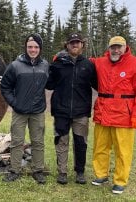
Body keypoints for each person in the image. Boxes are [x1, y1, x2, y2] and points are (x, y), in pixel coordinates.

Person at [90, 36, 136, 194]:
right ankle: (101, 175)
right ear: (109, 48)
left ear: (125, 47)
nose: (116, 50)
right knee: (100, 146)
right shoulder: (100, 62)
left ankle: (120, 181)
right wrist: (62, 58)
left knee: (123, 150)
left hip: (124, 115)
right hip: (103, 112)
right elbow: (83, 63)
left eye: (119, 47)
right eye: (113, 47)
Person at [46, 33, 97, 185]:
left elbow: (99, 85)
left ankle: (80, 172)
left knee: (80, 143)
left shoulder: (88, 65)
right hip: (61, 110)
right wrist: (49, 69)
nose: (75, 45)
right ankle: (62, 172)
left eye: (78, 42)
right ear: (67, 45)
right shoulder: (58, 64)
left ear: (82, 45)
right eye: (72, 42)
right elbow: (49, 84)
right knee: (61, 141)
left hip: (81, 112)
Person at [0, 33, 49, 184]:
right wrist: (14, 103)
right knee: (17, 141)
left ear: (40, 48)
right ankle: (14, 170)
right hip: (20, 111)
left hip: (38, 111)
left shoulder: (45, 65)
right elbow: (5, 86)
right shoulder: (15, 65)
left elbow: (50, 83)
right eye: (30, 47)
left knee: (38, 141)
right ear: (25, 47)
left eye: (36, 47)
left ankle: (38, 170)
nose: (32, 50)